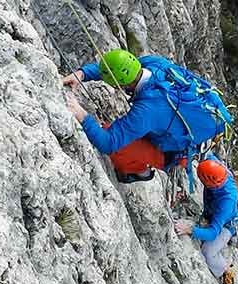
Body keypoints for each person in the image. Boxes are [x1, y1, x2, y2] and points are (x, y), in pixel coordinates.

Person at [62, 49, 214, 183]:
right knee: (125, 129)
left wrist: (81, 114)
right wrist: (82, 74)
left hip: (173, 152)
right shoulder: (153, 63)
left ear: (119, 85)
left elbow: (108, 143)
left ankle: (140, 172)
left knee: (116, 143)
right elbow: (117, 70)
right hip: (178, 126)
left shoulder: (147, 110)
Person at [174, 158, 238, 284]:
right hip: (212, 212)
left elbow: (212, 233)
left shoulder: (227, 200)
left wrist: (190, 230)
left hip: (227, 225)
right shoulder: (216, 168)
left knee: (208, 251)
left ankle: (225, 270)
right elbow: (205, 153)